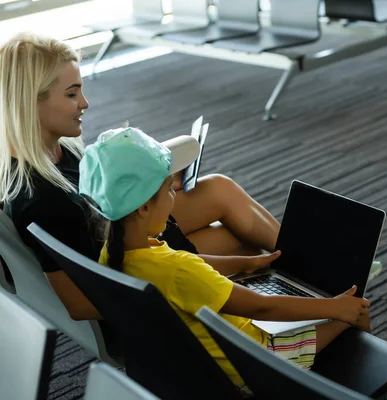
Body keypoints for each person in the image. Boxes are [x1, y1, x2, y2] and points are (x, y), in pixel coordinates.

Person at [0, 32, 281, 320]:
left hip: (134, 233)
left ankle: (306, 271)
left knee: (220, 189)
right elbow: (78, 304)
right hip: (135, 264)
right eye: (72, 94)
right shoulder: (42, 200)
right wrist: (166, 289)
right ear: (30, 101)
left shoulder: (56, 151)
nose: (84, 103)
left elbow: (102, 202)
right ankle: (307, 279)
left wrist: (153, 182)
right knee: (245, 243)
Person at [79, 126, 371, 395]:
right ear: (143, 208)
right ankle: (362, 389)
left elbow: (180, 265)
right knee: (354, 313)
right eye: (169, 189)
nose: (174, 197)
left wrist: (243, 264)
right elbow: (261, 305)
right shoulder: (180, 270)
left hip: (198, 365)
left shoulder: (115, 254)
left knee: (338, 310)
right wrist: (334, 307)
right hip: (253, 365)